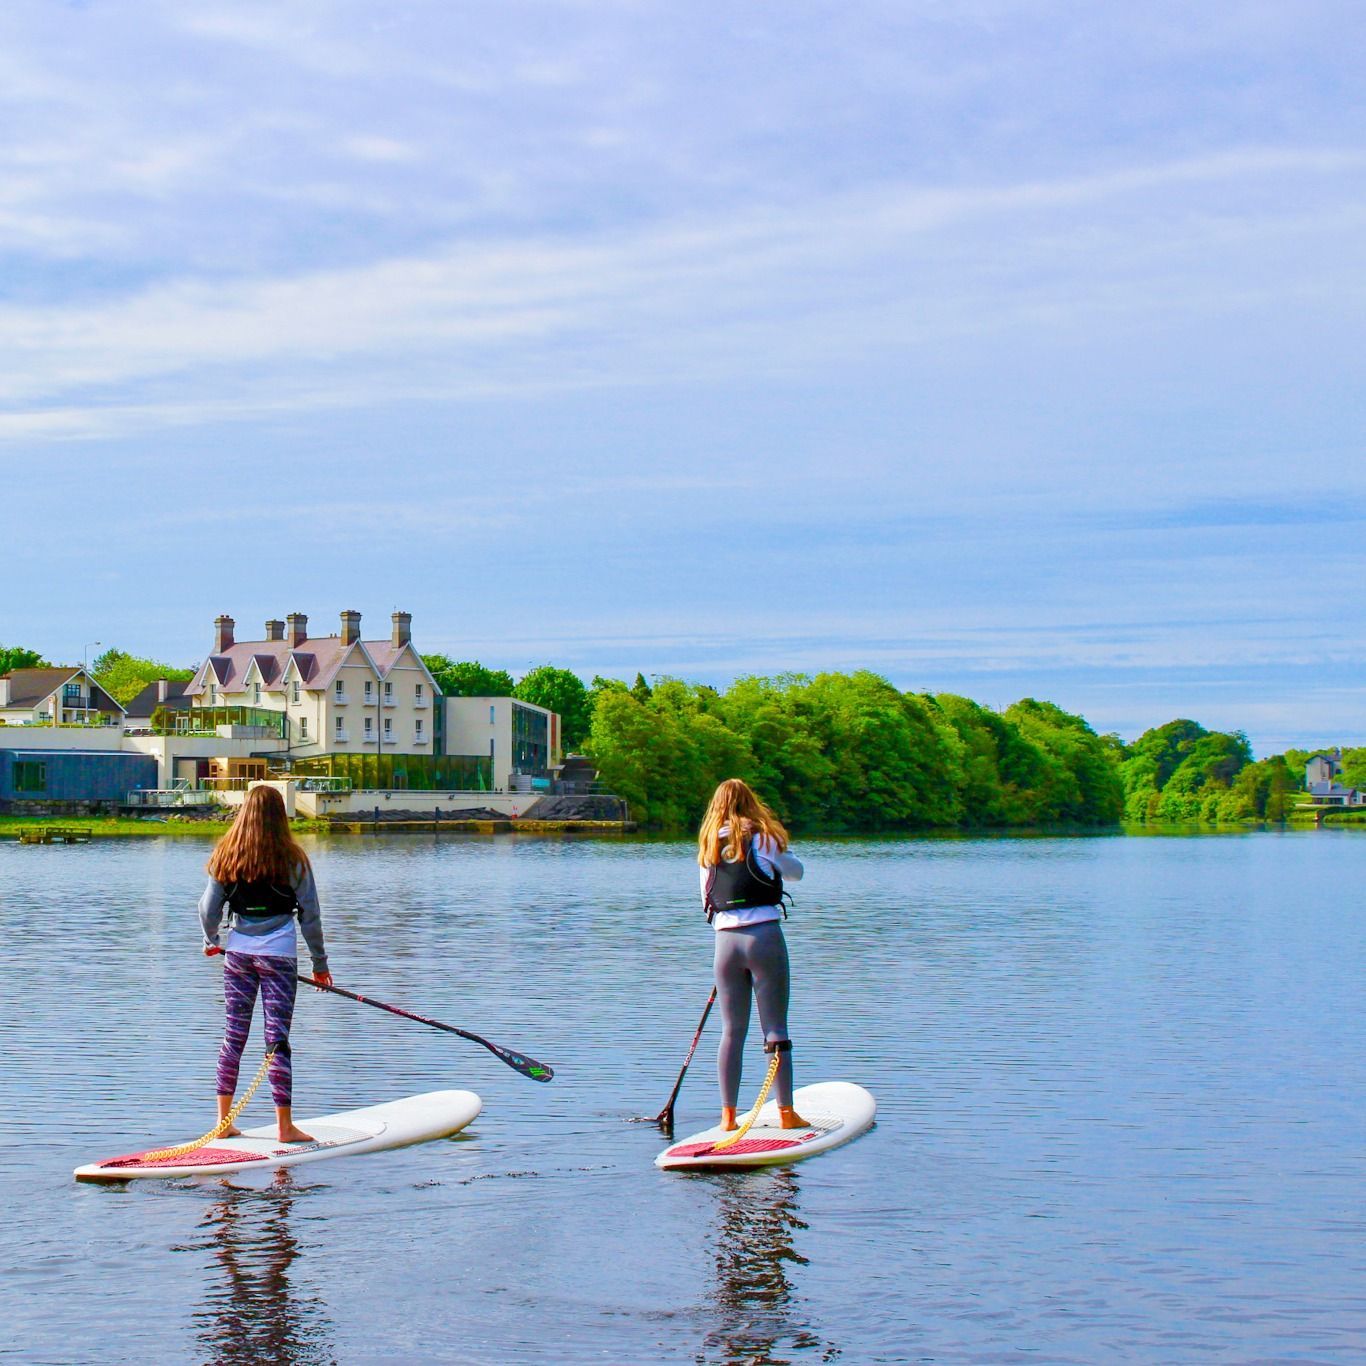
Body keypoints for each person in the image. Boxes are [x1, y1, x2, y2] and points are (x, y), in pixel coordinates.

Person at [199, 785, 332, 1143]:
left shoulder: (226, 855)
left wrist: (212, 941)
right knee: (277, 1039)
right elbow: (311, 916)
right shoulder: (294, 858)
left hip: (238, 957)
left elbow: (207, 909)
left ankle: (223, 1124)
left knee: (233, 1037)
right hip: (279, 956)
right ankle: (284, 1128)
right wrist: (320, 964)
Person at [698, 778, 807, 1131]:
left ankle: (728, 1117)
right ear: (751, 803)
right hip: (764, 939)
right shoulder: (765, 837)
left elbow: (706, 901)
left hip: (725, 945)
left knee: (732, 1031)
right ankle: (786, 1114)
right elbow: (796, 874)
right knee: (775, 1028)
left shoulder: (708, 846)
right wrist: (782, 853)